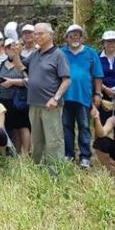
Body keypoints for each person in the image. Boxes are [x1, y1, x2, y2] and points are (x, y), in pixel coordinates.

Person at [18, 22, 71, 165]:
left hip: (51, 105)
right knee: (37, 140)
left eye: (40, 33)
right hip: (34, 104)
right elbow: (21, 67)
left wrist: (55, 98)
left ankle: (55, 171)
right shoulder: (35, 54)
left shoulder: (59, 55)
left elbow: (66, 80)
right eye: (35, 34)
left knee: (53, 139)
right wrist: (16, 55)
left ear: (51, 35)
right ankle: (39, 170)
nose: (36, 37)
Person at [60, 24, 104, 169]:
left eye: (77, 35)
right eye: (71, 35)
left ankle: (85, 156)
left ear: (82, 37)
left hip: (84, 96)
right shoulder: (61, 52)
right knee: (67, 127)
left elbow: (97, 75)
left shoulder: (91, 53)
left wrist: (97, 93)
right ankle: (68, 154)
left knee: (84, 127)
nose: (75, 38)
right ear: (66, 38)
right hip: (65, 97)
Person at [0, 40, 31, 156]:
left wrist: (13, 82)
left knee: (23, 126)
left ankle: (26, 153)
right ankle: (16, 153)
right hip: (5, 99)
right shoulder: (3, 63)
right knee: (14, 128)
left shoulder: (25, 62)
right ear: (5, 49)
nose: (11, 50)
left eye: (14, 47)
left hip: (20, 100)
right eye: (8, 47)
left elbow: (30, 80)